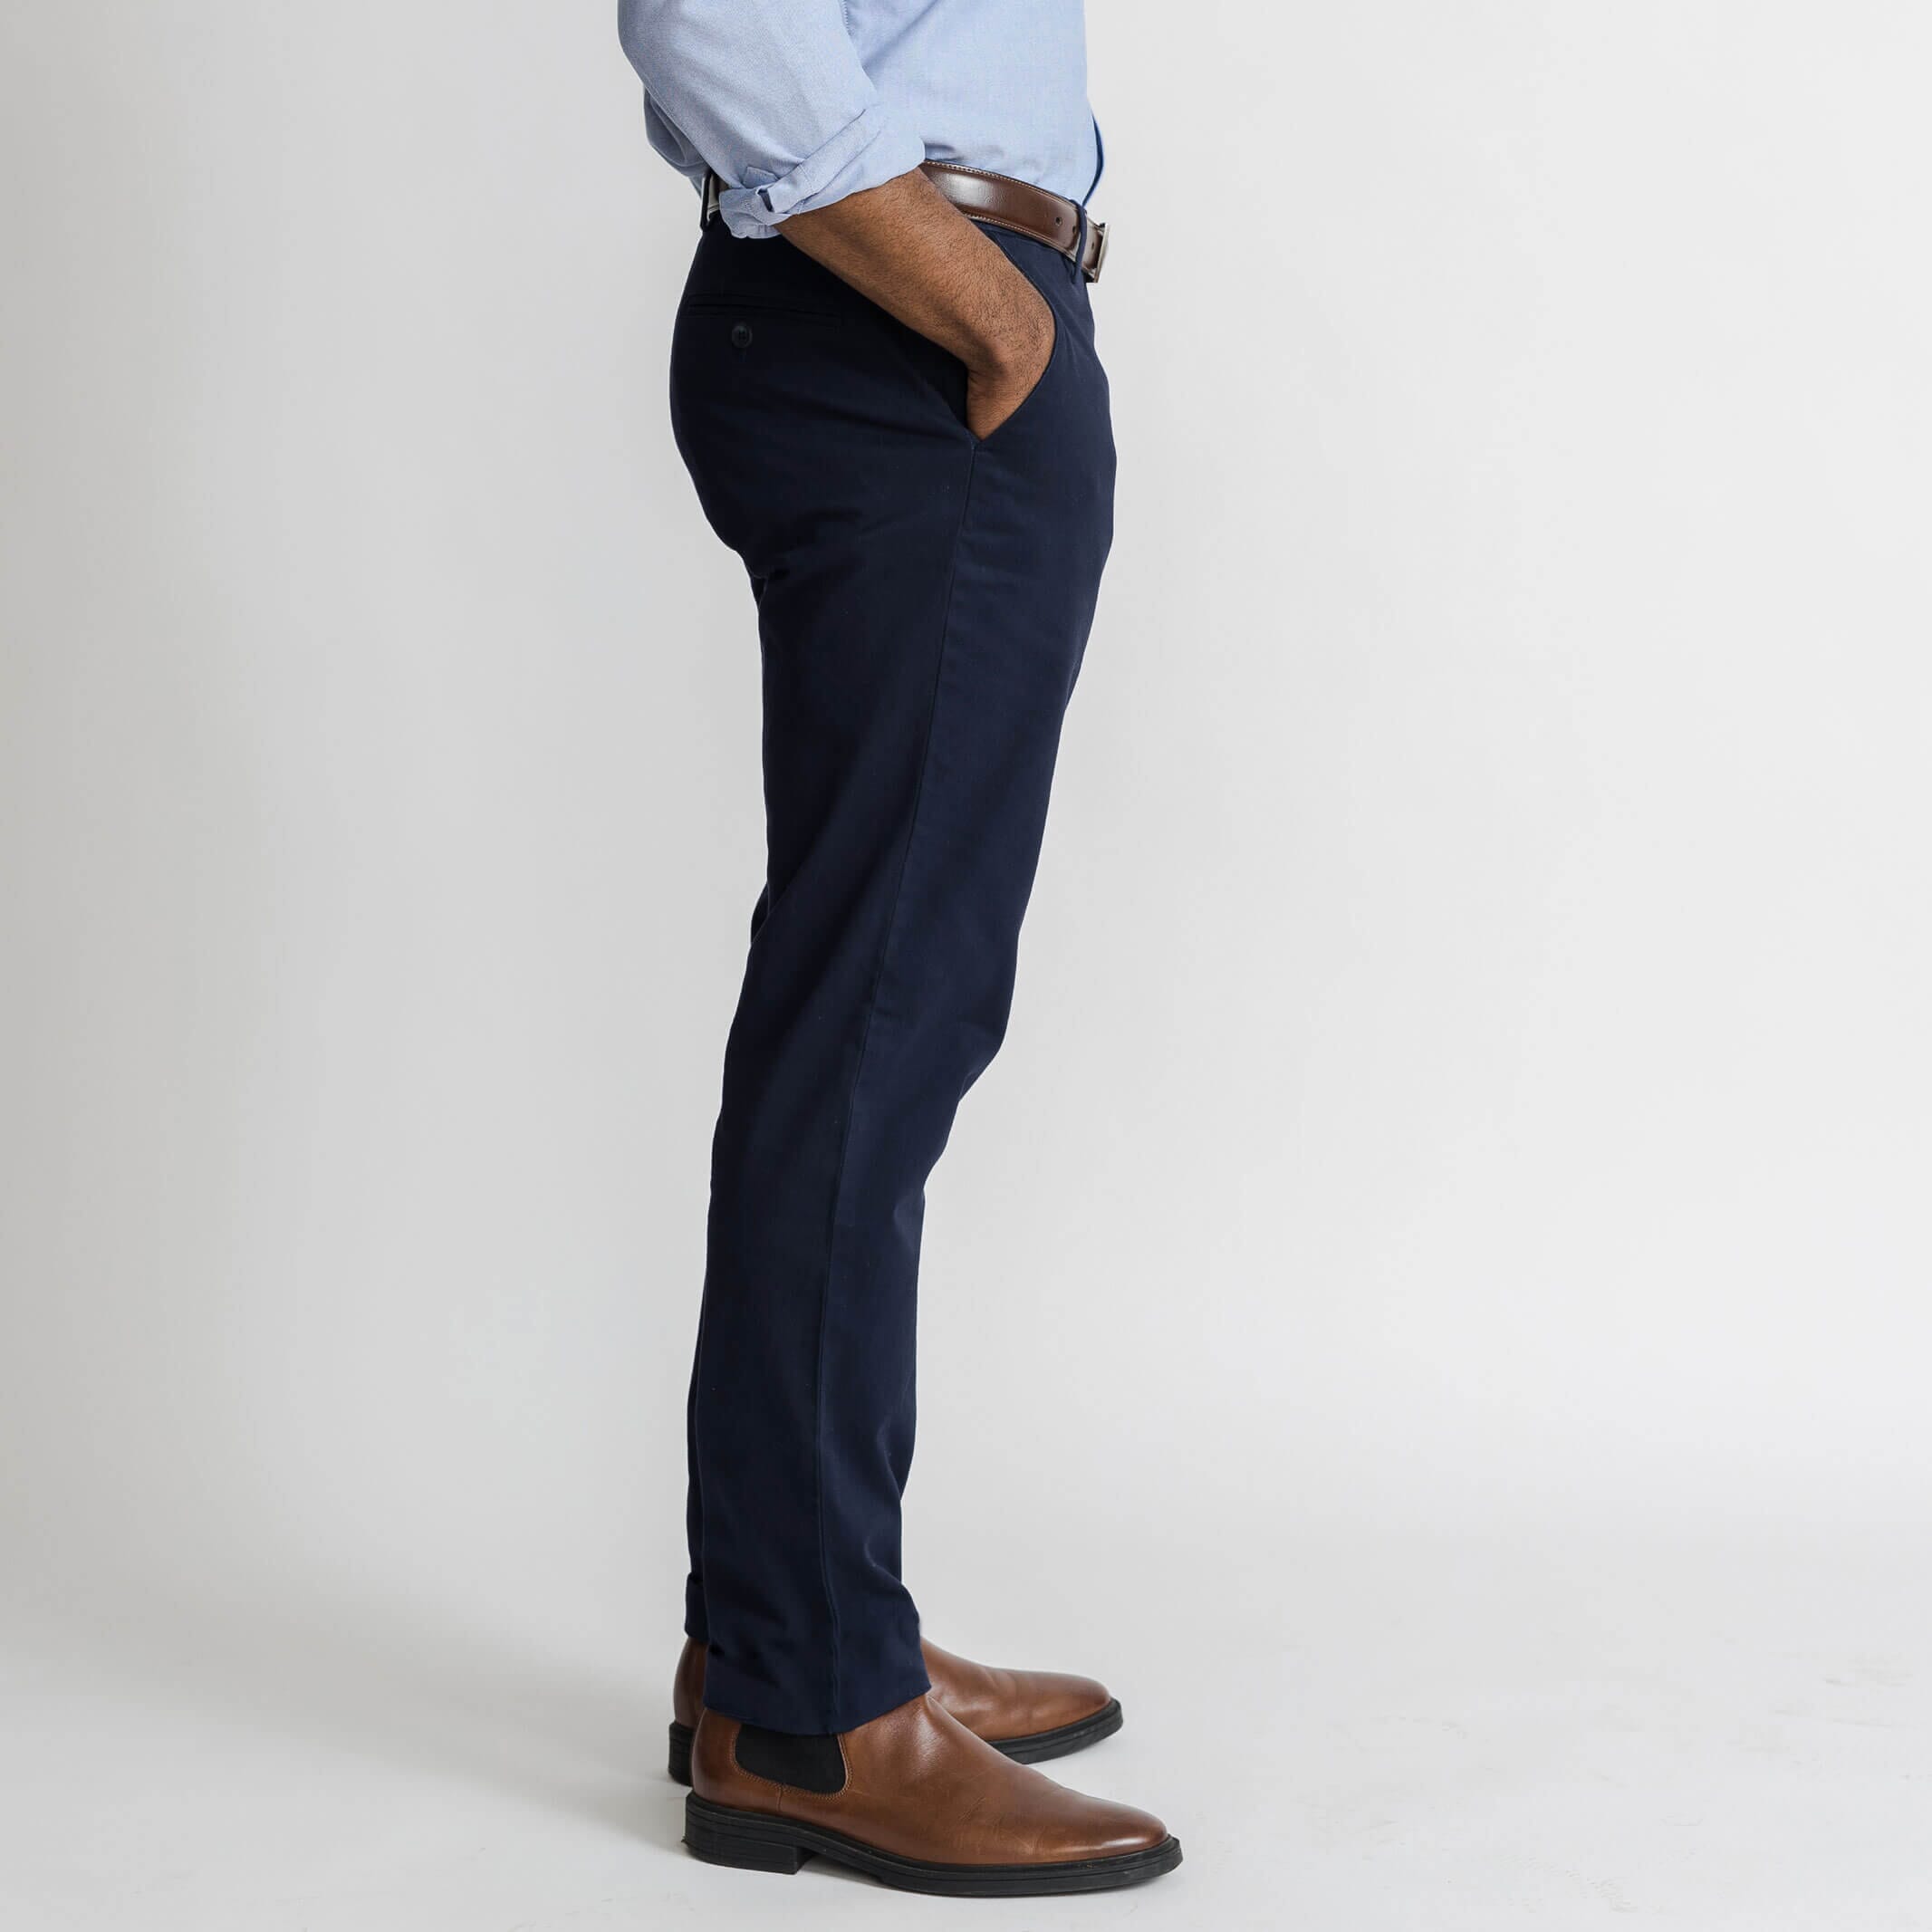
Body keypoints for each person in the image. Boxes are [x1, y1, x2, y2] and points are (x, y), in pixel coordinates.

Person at [617, 0, 1179, 1897]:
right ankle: (810, 1709)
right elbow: (710, 16)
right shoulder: (952, 317)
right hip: (901, 326)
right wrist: (993, 316)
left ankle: (784, 1628)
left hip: (894, 315)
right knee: (873, 1022)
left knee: (874, 1018)